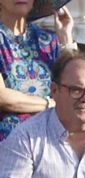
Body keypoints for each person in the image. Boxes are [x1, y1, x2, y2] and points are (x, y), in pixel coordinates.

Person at [0, 0, 65, 142]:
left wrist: (66, 38)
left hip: (52, 136)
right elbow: (2, 97)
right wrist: (50, 104)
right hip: (10, 138)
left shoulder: (48, 39)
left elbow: (73, 86)